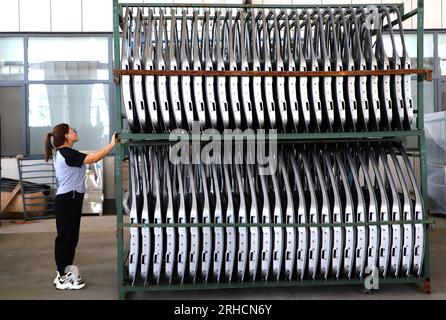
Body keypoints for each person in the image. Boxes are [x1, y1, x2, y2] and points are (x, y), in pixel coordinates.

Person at [44, 123, 116, 290]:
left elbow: (90, 156)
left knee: (71, 238)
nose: (75, 131)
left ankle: (66, 272)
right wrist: (112, 145)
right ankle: (61, 276)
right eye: (72, 129)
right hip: (67, 200)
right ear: (66, 136)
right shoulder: (66, 153)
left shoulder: (67, 153)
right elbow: (93, 158)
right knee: (65, 238)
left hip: (71, 199)